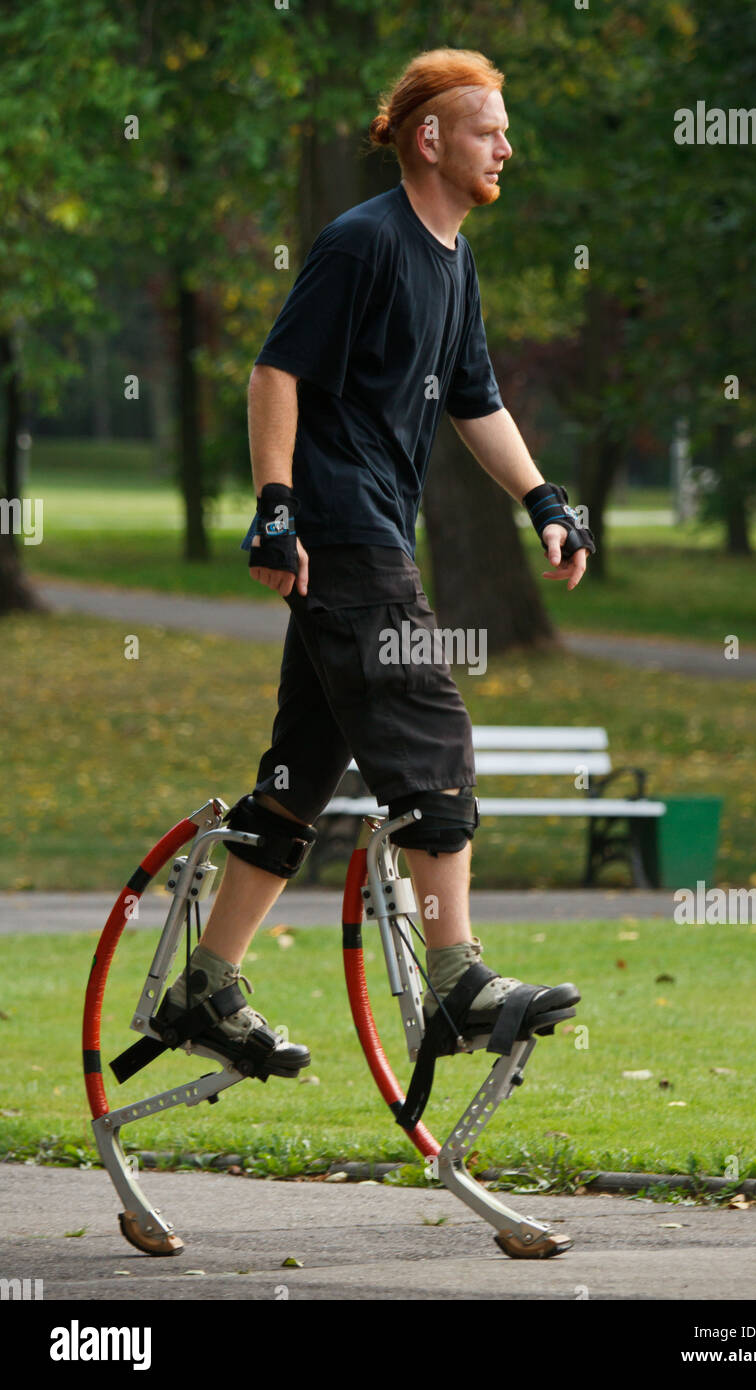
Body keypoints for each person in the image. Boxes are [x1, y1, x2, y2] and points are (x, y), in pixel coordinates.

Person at [156, 47, 594, 1082]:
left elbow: (472, 398)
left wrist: (541, 498)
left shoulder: (452, 258)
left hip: (371, 534)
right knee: (428, 727)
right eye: (489, 130)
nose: (506, 147)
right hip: (343, 530)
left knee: (298, 774)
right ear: (431, 139)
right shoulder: (362, 242)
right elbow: (276, 369)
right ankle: (457, 979)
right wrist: (274, 506)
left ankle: (206, 989)